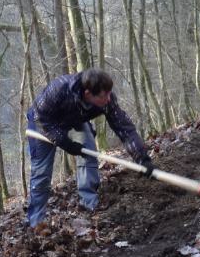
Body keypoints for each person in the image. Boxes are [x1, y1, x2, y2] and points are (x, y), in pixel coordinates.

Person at [26, 67, 154, 227]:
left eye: (109, 94)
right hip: (43, 123)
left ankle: (89, 205)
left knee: (88, 152)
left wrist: (142, 158)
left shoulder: (107, 100)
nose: (108, 99)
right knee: (41, 174)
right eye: (103, 96)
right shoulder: (58, 89)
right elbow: (40, 117)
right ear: (87, 94)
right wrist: (65, 143)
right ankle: (35, 221)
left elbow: (124, 127)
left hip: (75, 119)